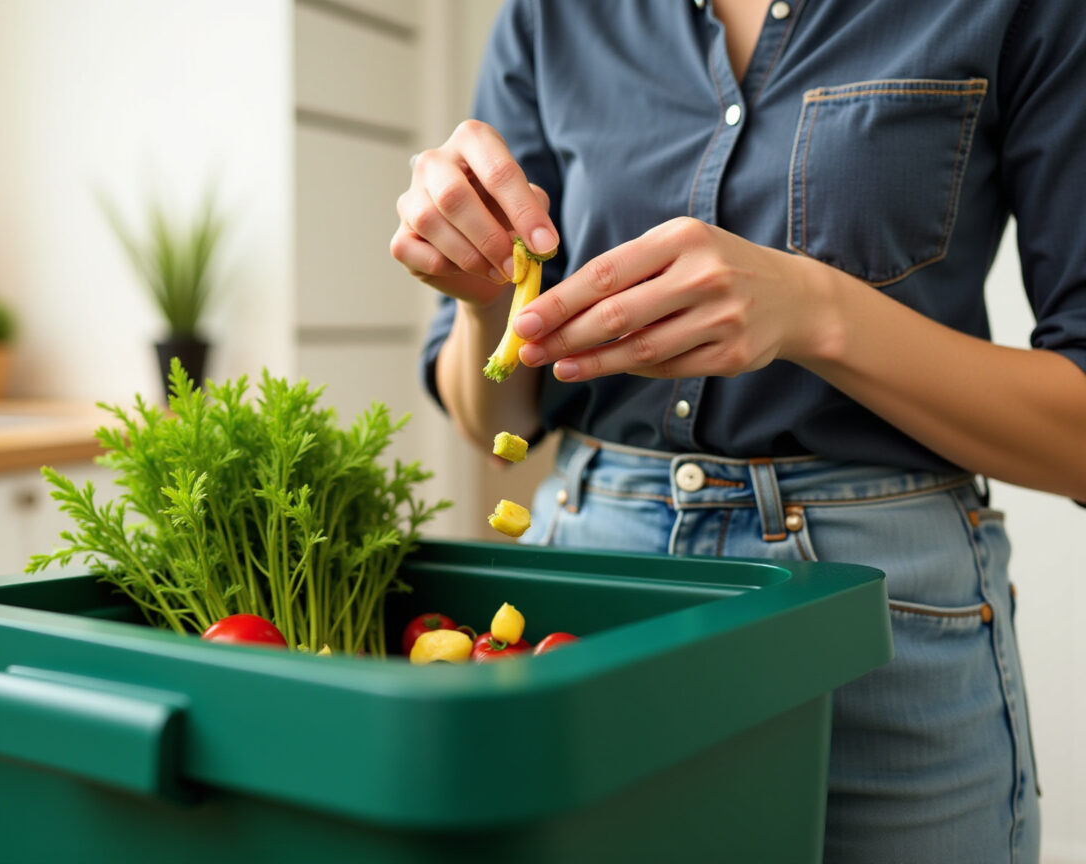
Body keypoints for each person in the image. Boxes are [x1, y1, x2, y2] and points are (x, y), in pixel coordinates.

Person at [395, 1, 1086, 861]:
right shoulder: (549, 15)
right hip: (592, 582)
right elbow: (494, 415)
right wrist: (480, 295)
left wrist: (818, 312)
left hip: (883, 610)